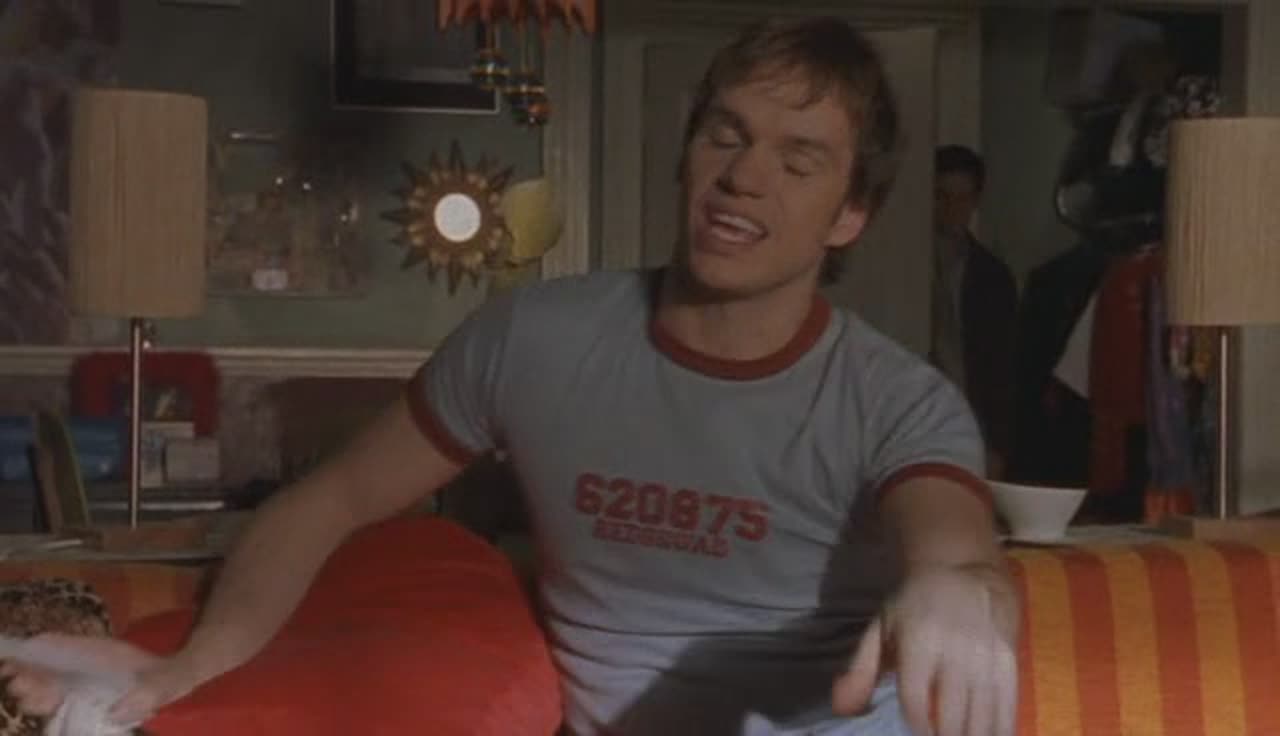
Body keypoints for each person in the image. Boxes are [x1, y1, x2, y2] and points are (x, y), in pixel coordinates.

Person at [6, 18, 1019, 736]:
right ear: (686, 153)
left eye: (798, 161)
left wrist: (957, 591)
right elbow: (331, 499)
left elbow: (956, 548)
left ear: (850, 215)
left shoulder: (897, 399)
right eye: (726, 133)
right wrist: (195, 662)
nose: (743, 177)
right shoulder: (536, 339)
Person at [930, 145, 1019, 480]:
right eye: (942, 196)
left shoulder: (991, 276)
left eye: (962, 198)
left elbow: (1002, 366)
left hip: (967, 415)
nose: (952, 208)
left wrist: (997, 444)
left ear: (975, 201)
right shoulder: (908, 261)